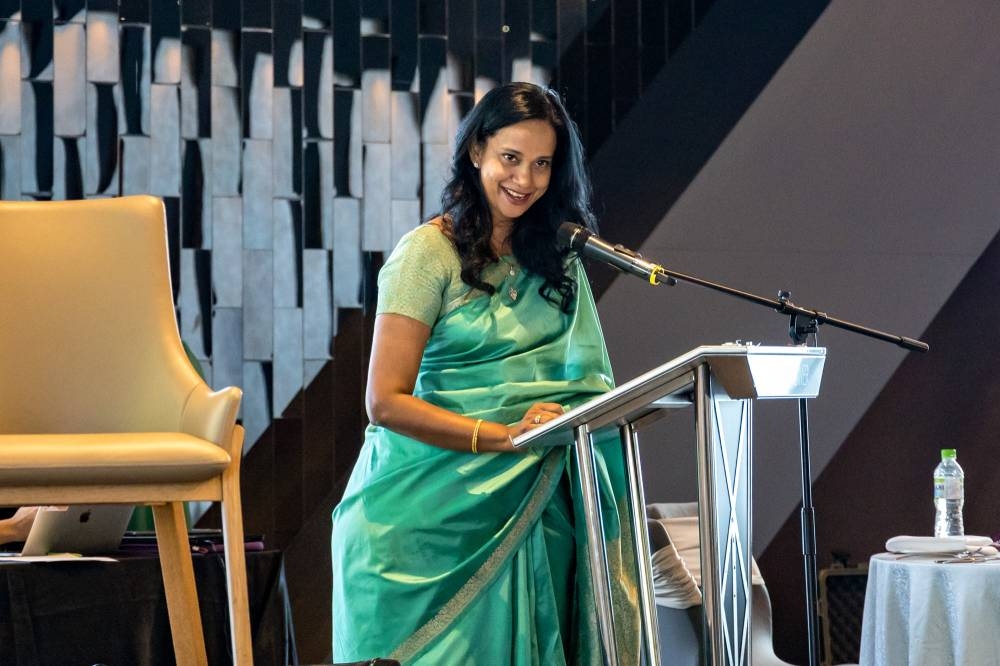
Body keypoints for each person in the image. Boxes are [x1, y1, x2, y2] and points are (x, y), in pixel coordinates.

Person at [331, 82, 638, 664]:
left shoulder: (558, 259)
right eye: (511, 158)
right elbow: (385, 401)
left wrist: (565, 425)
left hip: (536, 501)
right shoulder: (427, 254)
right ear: (476, 152)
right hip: (422, 524)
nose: (525, 180)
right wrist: (503, 437)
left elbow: (587, 386)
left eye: (542, 164)